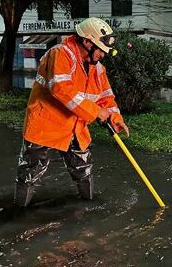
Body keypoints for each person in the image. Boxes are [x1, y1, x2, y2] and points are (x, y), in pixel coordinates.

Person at [14, 17, 129, 207]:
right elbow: (61, 88)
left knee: (84, 168)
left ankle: (89, 206)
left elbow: (106, 97)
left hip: (76, 126)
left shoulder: (98, 69)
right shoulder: (60, 53)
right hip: (45, 124)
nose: (102, 55)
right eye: (100, 49)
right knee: (30, 171)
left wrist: (114, 118)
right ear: (86, 41)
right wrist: (96, 113)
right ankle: (16, 216)